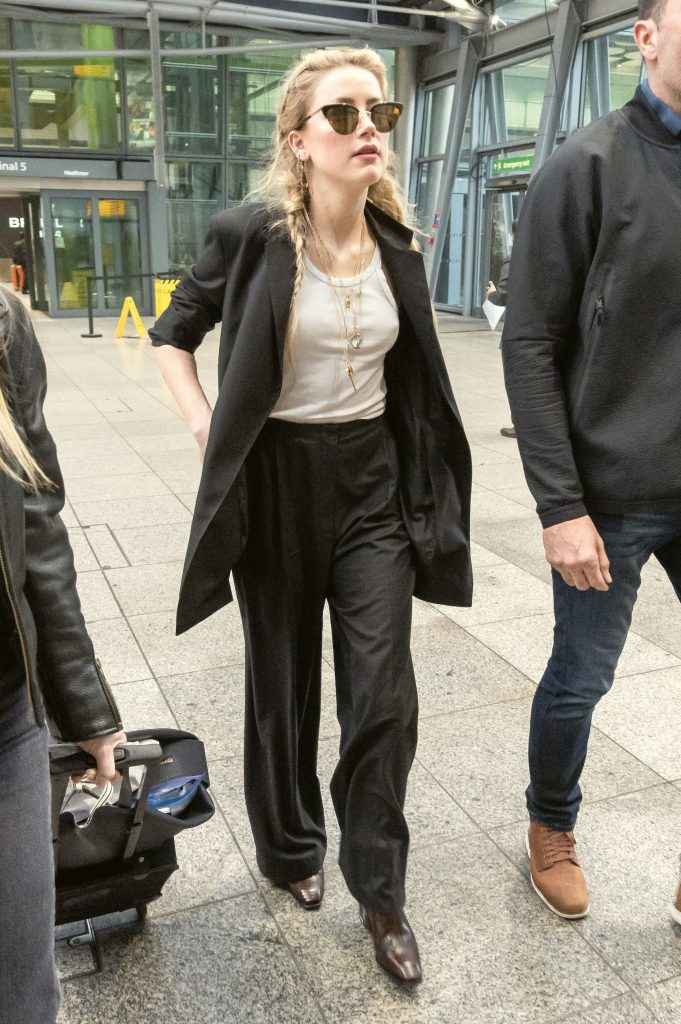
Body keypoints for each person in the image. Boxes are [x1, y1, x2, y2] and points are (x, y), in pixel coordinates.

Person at [150, 47, 472, 983]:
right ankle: (292, 849)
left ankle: (381, 892)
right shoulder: (250, 235)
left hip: (371, 484)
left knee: (382, 694)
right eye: (341, 114)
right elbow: (173, 334)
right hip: (277, 479)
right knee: (281, 681)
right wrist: (208, 427)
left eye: (379, 112)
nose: (366, 127)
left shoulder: (395, 244)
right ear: (297, 141)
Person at [502, 0, 681, 922]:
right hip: (610, 493)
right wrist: (558, 506)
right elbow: (529, 342)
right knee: (580, 679)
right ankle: (550, 823)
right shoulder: (586, 164)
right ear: (644, 37)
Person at [0, 288, 126, 1024]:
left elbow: (39, 527)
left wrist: (85, 709)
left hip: (5, 717)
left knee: (23, 989)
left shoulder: (2, 326)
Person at [486, 220, 518, 438]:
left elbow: (502, 296)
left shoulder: (514, 257)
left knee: (516, 379)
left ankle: (520, 425)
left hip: (518, 331)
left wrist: (491, 294)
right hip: (549, 327)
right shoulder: (548, 254)